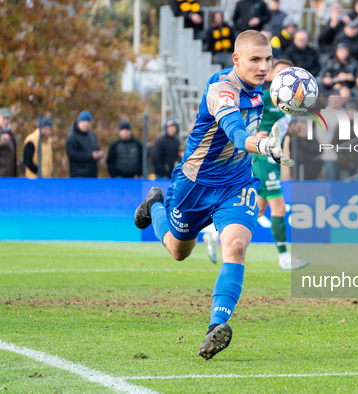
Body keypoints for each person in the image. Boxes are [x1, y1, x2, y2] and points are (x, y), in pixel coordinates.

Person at [133, 31, 294, 361]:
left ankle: (216, 327)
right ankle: (156, 205)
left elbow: (254, 129)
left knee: (235, 246)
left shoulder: (263, 90)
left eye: (268, 60)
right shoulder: (221, 90)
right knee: (179, 251)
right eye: (255, 60)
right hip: (194, 184)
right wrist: (263, 144)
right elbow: (235, 133)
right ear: (236, 60)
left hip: (237, 184)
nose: (263, 67)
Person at [250, 59, 308, 269]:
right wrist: (254, 134)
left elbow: (282, 129)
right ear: (272, 75)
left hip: (273, 160)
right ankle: (284, 257)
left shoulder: (290, 104)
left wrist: (294, 131)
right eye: (281, 72)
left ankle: (214, 233)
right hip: (262, 158)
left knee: (258, 209)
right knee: (279, 206)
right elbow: (242, 118)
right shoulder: (263, 98)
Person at [66, 111, 103, 178]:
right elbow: (72, 155)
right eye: (83, 121)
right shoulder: (72, 136)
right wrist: (90, 156)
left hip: (92, 175)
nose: (86, 124)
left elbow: (95, 148)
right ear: (79, 122)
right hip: (78, 175)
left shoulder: (91, 135)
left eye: (88, 121)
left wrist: (98, 153)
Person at [0, 107, 17, 177]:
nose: (6, 121)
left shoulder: (10, 132)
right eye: (4, 118)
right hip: (1, 172)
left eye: (8, 118)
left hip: (11, 171)